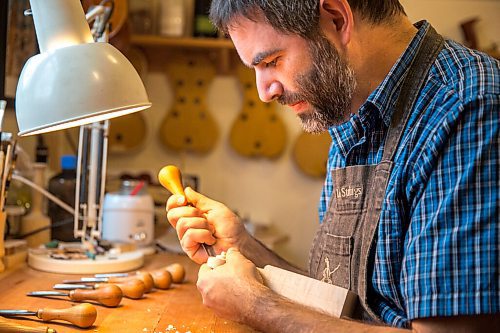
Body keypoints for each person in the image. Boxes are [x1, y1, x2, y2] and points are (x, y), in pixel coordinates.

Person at [166, 0, 499, 332]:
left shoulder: (469, 109)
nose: (265, 91)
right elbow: (342, 308)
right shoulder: (352, 108)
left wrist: (257, 306)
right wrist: (244, 248)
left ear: (338, 20)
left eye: (271, 61)